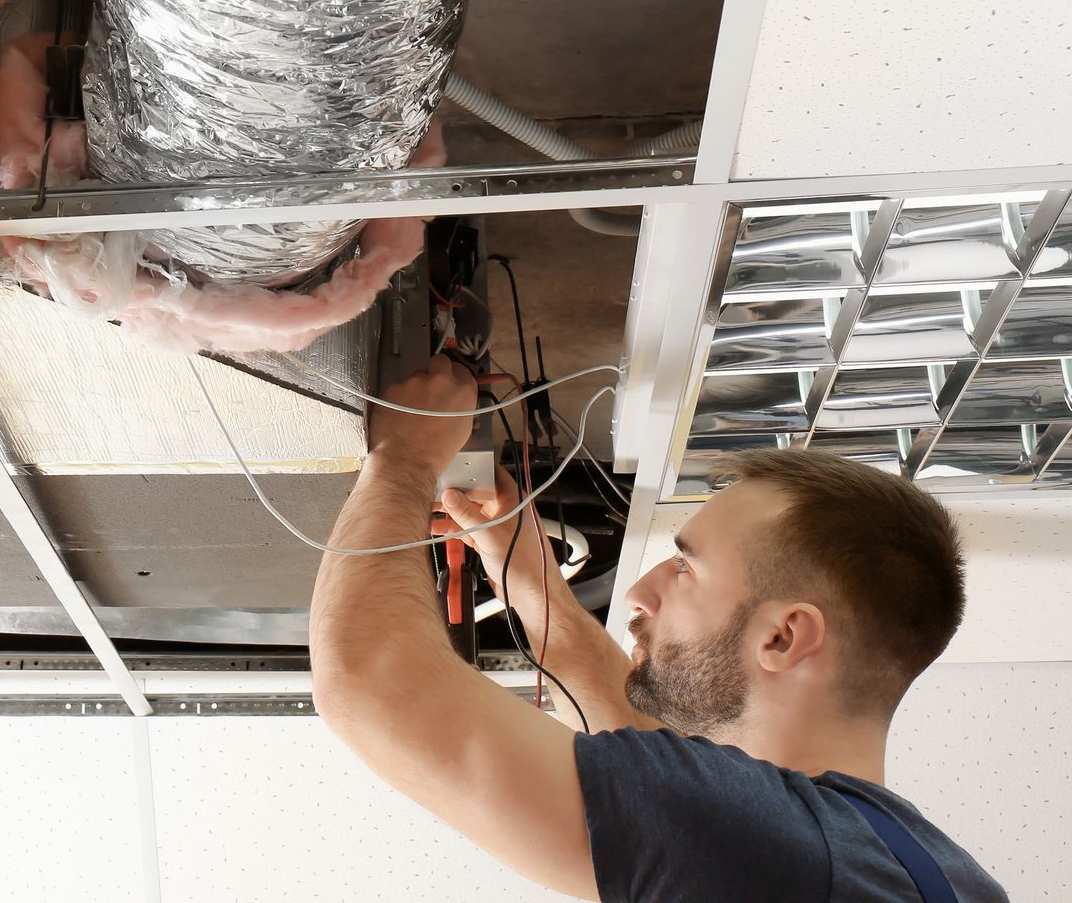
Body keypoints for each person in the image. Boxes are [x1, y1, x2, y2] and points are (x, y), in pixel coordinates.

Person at [310, 354, 1007, 901]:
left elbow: (370, 678)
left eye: (684, 569)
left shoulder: (771, 848)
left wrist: (405, 459)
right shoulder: (926, 868)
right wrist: (530, 579)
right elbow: (655, 762)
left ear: (783, 638)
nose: (639, 593)